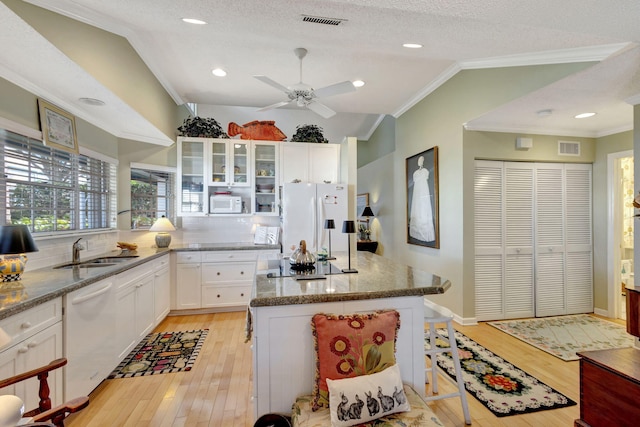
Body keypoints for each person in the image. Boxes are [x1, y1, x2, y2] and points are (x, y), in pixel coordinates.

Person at [409, 155, 435, 242]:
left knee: (424, 208)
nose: (419, 162)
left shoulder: (425, 171)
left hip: (423, 190)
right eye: (419, 160)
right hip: (417, 192)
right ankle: (416, 231)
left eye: (421, 160)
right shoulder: (415, 173)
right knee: (417, 207)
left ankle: (425, 231)